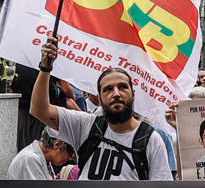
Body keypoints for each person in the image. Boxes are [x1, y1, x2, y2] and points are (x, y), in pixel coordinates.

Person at [29, 51, 172, 181]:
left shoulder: (151, 140)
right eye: (108, 89)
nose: (116, 94)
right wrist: (45, 68)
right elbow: (39, 109)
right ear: (99, 98)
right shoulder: (85, 125)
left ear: (133, 93)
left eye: (122, 87)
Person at [2, 132, 76, 180]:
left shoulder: (43, 159)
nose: (70, 159)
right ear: (57, 145)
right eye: (71, 153)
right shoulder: (31, 159)